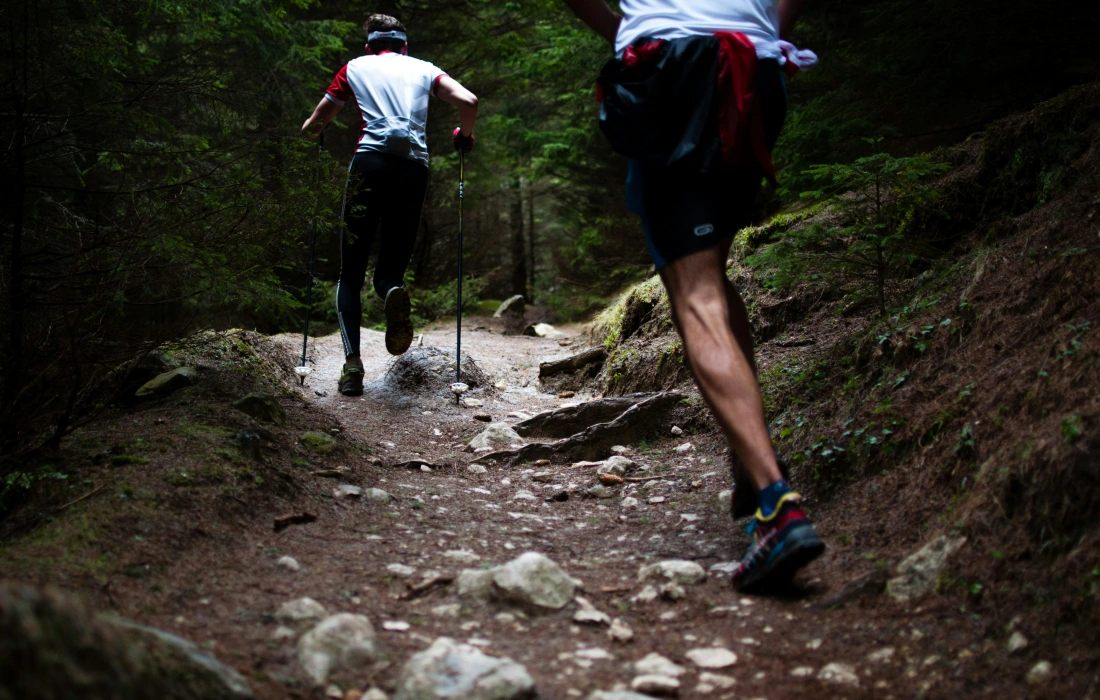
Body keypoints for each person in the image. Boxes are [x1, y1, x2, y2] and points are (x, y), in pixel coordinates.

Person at [562, 0, 824, 592]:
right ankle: (752, 467)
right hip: (755, 70)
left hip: (669, 68)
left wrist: (625, 30)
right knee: (714, 270)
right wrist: (769, 40)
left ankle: (777, 507)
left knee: (696, 292)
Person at [301, 14, 478, 396]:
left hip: (369, 165)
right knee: (389, 272)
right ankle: (391, 292)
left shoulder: (354, 67)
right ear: (405, 46)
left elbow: (320, 118)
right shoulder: (424, 69)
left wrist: (311, 131)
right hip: (413, 170)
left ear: (369, 46)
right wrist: (464, 135)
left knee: (350, 272)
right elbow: (468, 100)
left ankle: (352, 368)